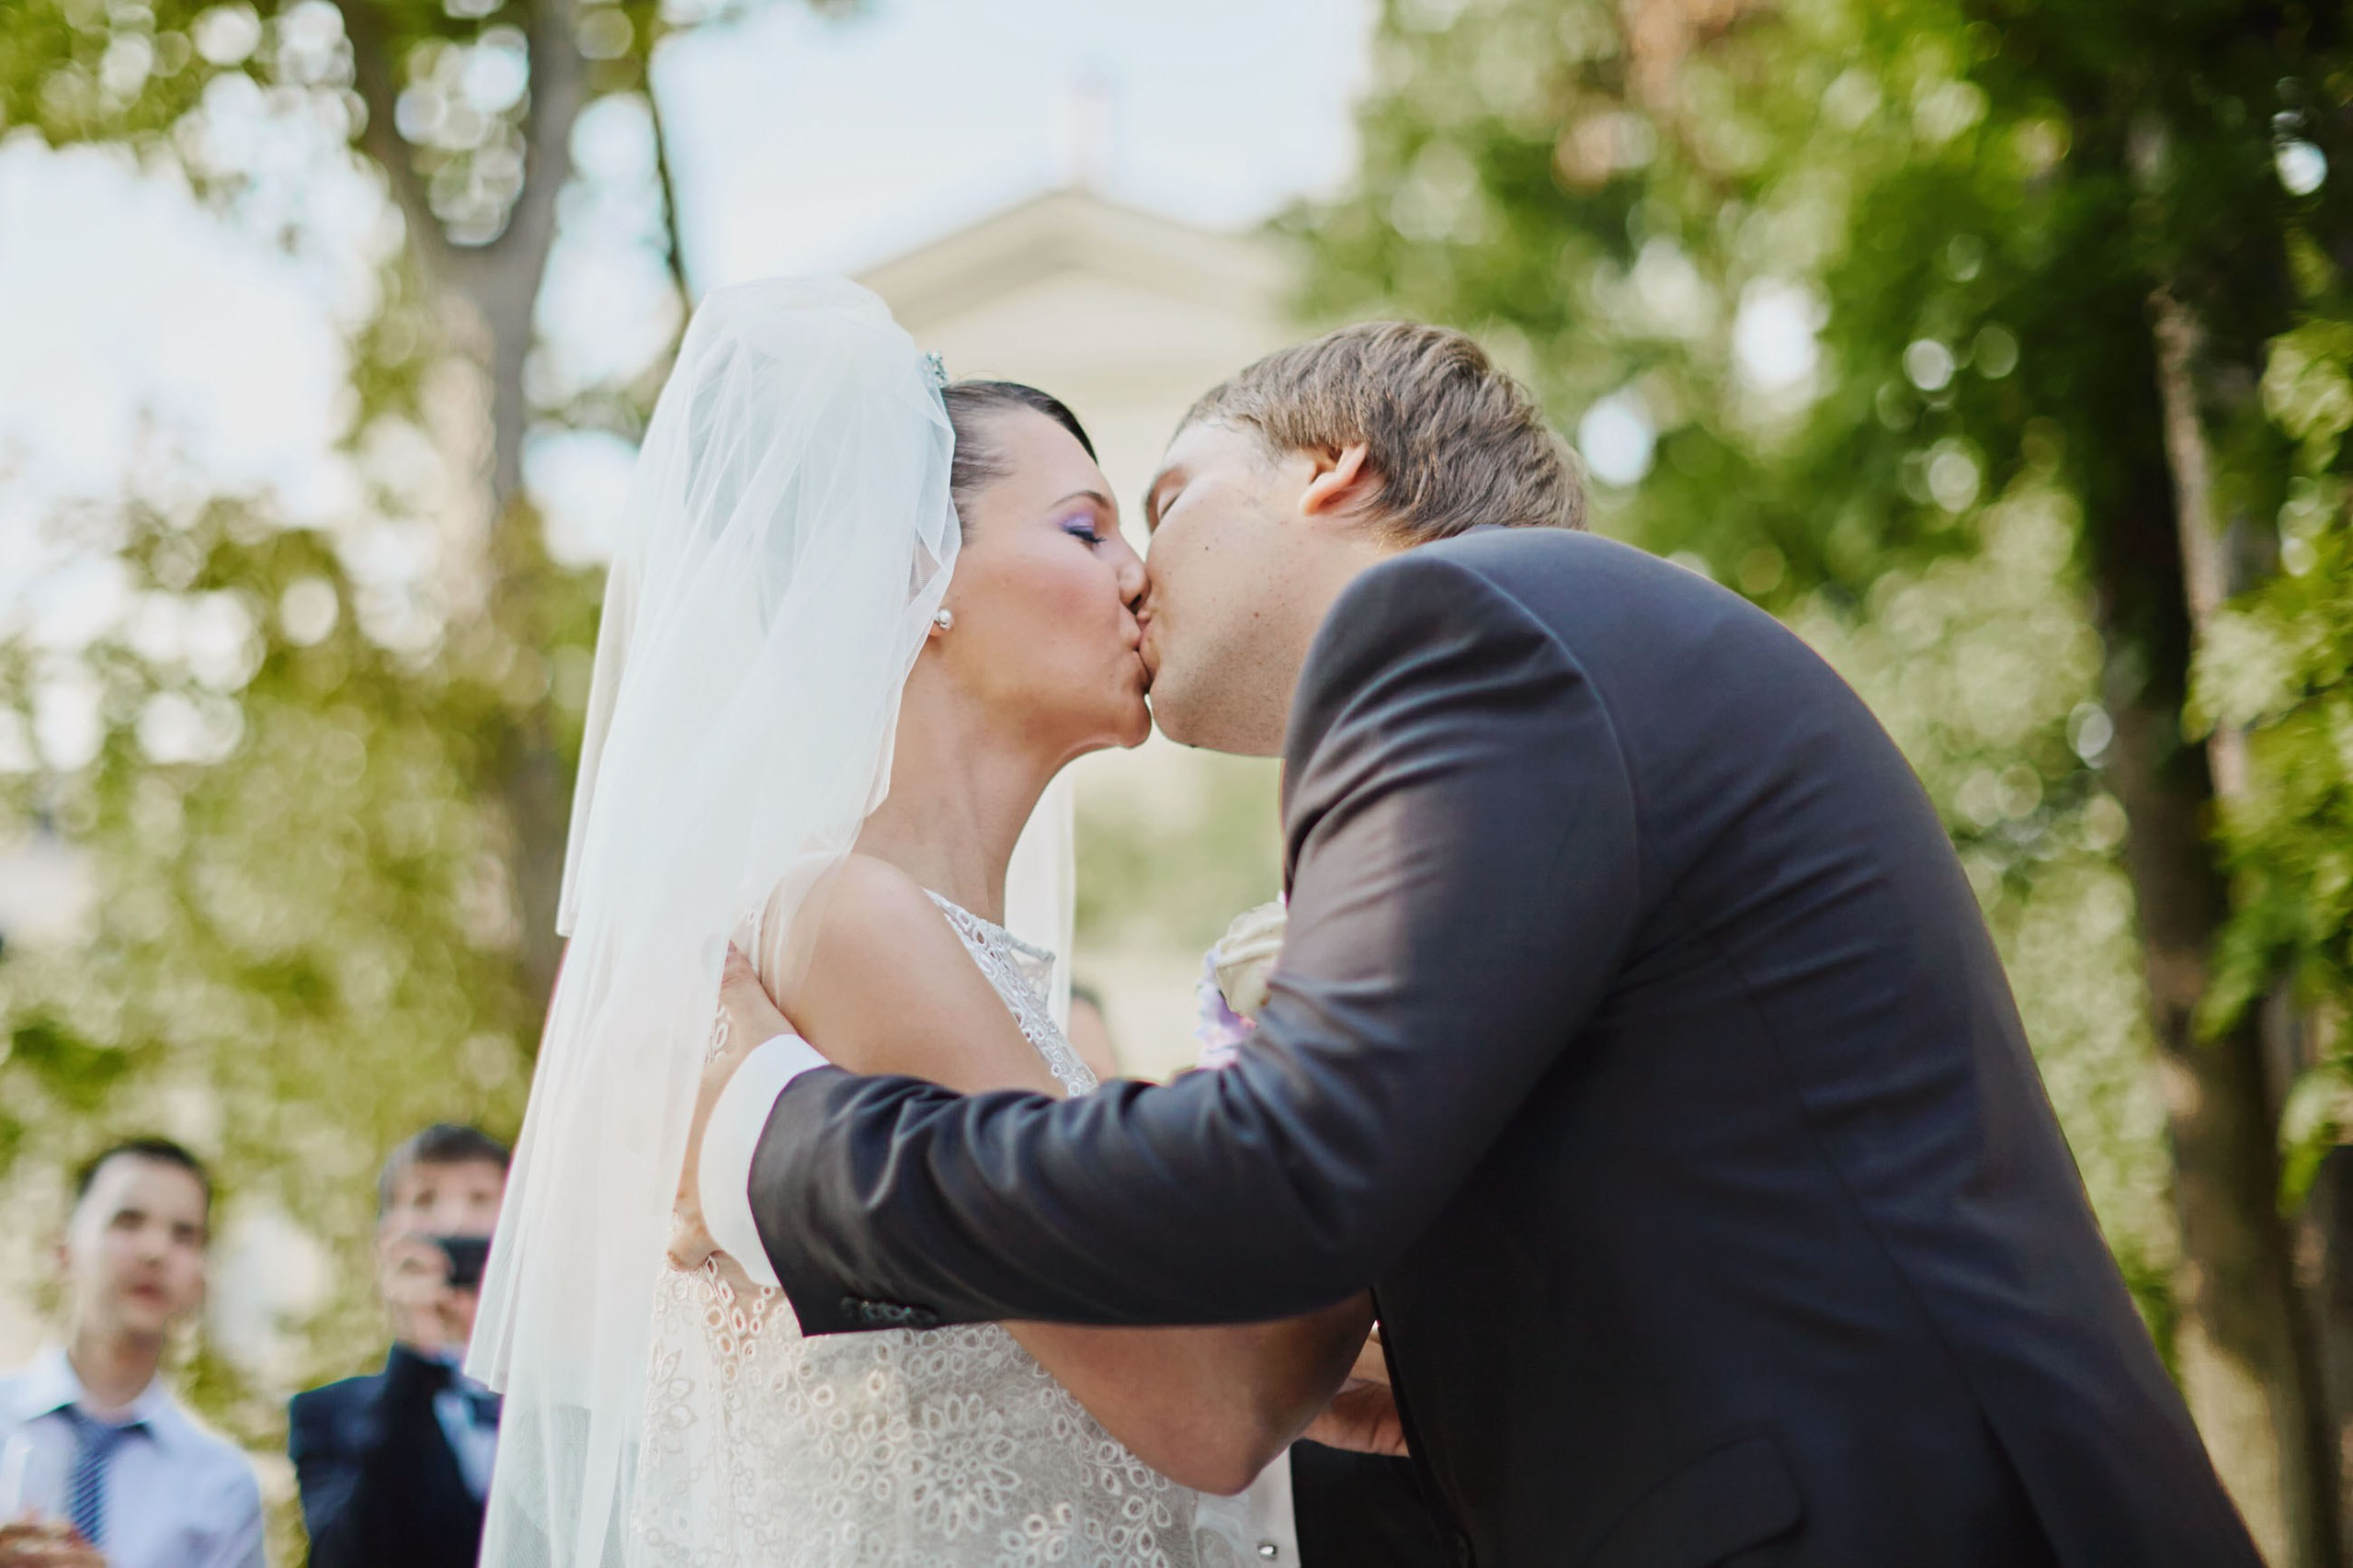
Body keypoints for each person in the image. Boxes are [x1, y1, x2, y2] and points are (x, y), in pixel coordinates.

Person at [687, 321, 2268, 1567]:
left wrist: (782, 1147)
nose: (1140, 576)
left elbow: (1287, 1184)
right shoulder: (1533, 693)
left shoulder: (1448, 628)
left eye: (1158, 505)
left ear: (1330, 470)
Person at [469, 278, 1381, 1568]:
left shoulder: (952, 955)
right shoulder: (846, 921)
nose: (1142, 576)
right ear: (914, 576)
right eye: (1086, 527)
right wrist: (1394, 1083)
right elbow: (1206, 1397)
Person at [0, 1139, 264, 1568]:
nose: (154, 1251)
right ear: (63, 1251)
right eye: (128, 1221)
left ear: (201, 1278)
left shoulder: (223, 1487)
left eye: (185, 1235)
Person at [288, 1124, 509, 1568]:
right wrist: (415, 1359)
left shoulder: (584, 1406)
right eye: (425, 1201)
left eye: (480, 1200)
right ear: (383, 1241)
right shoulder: (325, 1414)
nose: (454, 1222)